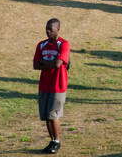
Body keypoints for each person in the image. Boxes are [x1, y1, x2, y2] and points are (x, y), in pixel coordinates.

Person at [34, 18, 71, 154]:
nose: (48, 31)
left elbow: (58, 64)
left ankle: (57, 141)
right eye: (46, 29)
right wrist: (50, 63)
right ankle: (52, 141)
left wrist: (45, 63)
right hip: (44, 85)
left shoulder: (64, 44)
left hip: (58, 85)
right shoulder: (41, 45)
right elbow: (35, 65)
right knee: (46, 116)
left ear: (58, 29)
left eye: (51, 29)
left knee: (53, 115)